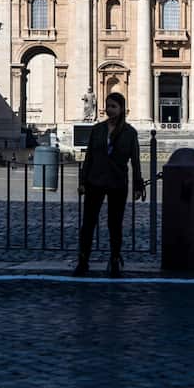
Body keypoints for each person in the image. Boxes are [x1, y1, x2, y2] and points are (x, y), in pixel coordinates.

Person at [75, 92, 145, 276]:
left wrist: (138, 186)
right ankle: (83, 260)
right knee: (88, 223)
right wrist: (82, 181)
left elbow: (135, 161)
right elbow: (89, 157)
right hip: (95, 181)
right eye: (108, 106)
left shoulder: (130, 133)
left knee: (115, 224)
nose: (109, 109)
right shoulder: (97, 130)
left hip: (117, 182)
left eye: (113, 106)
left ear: (122, 109)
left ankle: (115, 258)